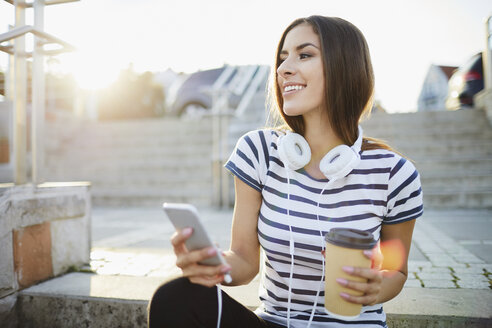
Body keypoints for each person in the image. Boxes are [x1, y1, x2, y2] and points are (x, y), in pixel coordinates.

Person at [148, 15, 423, 328]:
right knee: (175, 298)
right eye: (282, 59)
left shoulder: (394, 174)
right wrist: (214, 264)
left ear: (344, 66)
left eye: (304, 55)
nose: (283, 69)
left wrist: (375, 287)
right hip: (276, 322)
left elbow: (396, 272)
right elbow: (245, 261)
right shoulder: (260, 151)